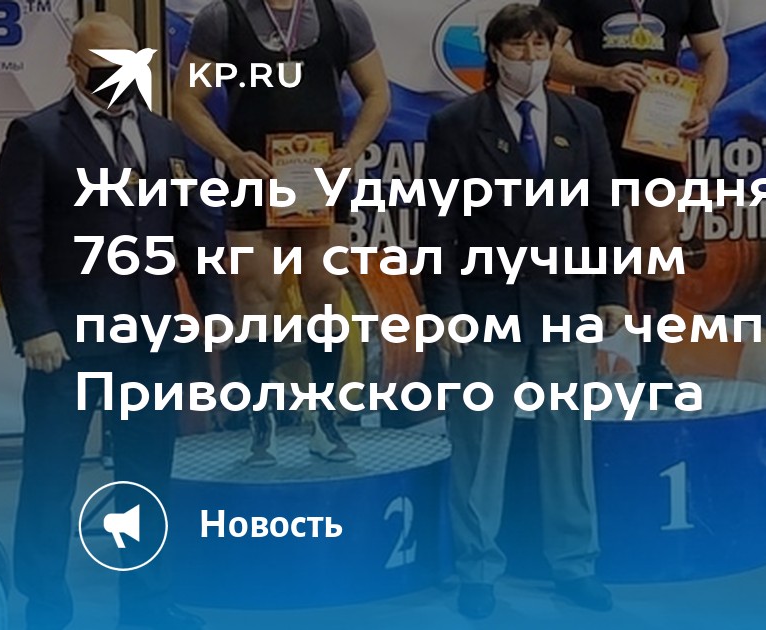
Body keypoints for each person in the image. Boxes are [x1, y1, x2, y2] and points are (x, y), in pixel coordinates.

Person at [0, 14, 233, 629]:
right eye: (105, 68)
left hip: (150, 343)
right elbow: (15, 238)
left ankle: (147, 604)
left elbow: (195, 232)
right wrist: (34, 326)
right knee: (50, 477)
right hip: (66, 346)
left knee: (147, 478)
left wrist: (217, 311)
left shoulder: (165, 136)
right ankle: (45, 605)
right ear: (74, 65)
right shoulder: (37, 136)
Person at [419, 4, 626, 619]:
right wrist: (444, 310)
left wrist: (613, 293)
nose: (531, 58)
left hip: (565, 302)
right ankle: (478, 570)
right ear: (495, 53)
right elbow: (437, 227)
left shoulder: (582, 119)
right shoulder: (456, 124)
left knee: (569, 444)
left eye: (541, 46)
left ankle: (575, 564)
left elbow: (603, 210)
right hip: (485, 307)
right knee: (480, 446)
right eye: (519, 47)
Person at [173, 0, 390, 466]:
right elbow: (185, 100)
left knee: (326, 292)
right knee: (255, 299)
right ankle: (261, 423)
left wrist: (352, 150)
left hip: (322, 178)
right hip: (254, 177)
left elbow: (378, 94)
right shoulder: (222, 17)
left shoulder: (342, 14)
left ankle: (325, 422)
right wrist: (231, 155)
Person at [540, 0, 728, 404]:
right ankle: (575, 364)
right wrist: (602, 75)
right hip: (592, 132)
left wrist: (704, 104)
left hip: (660, 135)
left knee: (660, 248)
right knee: (580, 251)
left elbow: (713, 52)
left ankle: (653, 367)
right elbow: (547, 52)